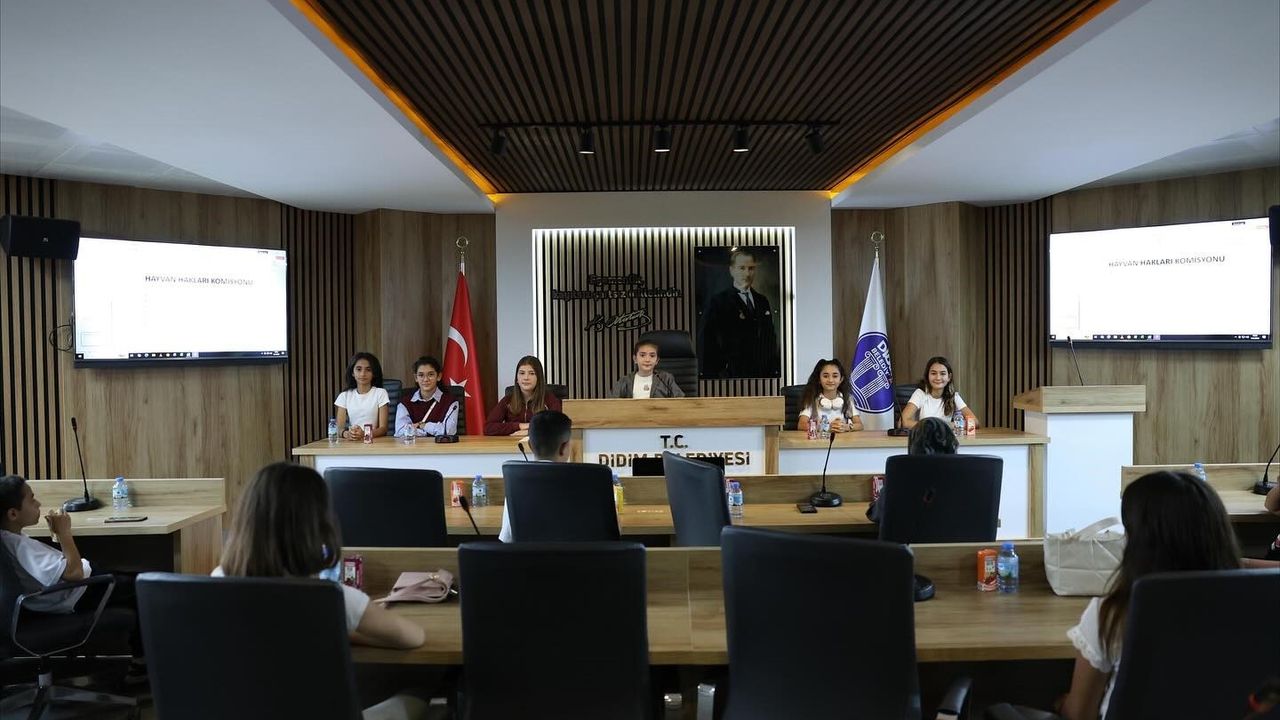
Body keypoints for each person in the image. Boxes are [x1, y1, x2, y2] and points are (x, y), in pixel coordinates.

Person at [215, 462, 429, 718]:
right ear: (317, 527)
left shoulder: (217, 581)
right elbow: (413, 637)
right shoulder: (331, 597)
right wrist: (346, 628)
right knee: (421, 693)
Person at [1058, 470, 1242, 720]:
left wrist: (1063, 705)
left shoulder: (1115, 613)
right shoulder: (1253, 607)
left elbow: (1080, 714)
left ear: (1139, 542)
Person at [1, 475, 147, 684]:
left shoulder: (10, 540)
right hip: (81, 591)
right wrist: (64, 533)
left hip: (73, 591)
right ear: (13, 514)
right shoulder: (20, 546)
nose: (38, 503)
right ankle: (140, 666)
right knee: (145, 587)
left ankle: (135, 662)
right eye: (32, 500)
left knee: (134, 584)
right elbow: (75, 573)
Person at [699, 248, 780, 378]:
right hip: (731, 375)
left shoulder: (762, 300)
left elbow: (770, 338)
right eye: (742, 268)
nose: (747, 274)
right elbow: (708, 341)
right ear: (732, 270)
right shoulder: (718, 302)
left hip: (761, 374)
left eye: (751, 268)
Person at [499, 410, 573, 543]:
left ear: (530, 446)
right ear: (564, 447)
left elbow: (507, 540)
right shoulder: (585, 483)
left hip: (527, 556)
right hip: (575, 556)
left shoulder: (516, 484)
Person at [866, 417, 957, 522]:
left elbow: (876, 514)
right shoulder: (963, 478)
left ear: (914, 445)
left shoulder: (900, 476)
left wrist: (874, 505)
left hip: (908, 532)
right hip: (953, 532)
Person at [484, 356, 562, 436]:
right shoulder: (508, 400)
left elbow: (559, 426)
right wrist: (519, 426)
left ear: (539, 378)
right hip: (513, 443)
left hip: (540, 443)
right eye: (522, 373)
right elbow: (488, 428)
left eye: (531, 373)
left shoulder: (549, 399)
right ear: (517, 379)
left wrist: (530, 432)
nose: (526, 378)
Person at [901, 356, 979, 430]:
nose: (938, 378)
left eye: (942, 373)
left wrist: (948, 425)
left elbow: (974, 422)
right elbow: (903, 422)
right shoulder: (920, 394)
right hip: (924, 436)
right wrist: (933, 427)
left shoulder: (954, 396)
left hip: (944, 438)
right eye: (933, 373)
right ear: (927, 376)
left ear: (949, 377)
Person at [394, 355, 458, 438]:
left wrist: (423, 425)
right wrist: (427, 432)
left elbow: (449, 431)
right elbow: (400, 431)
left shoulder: (451, 401)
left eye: (430, 374)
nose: (425, 379)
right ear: (416, 378)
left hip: (441, 445)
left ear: (439, 376)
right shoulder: (405, 402)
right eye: (421, 375)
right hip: (414, 446)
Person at [796, 358, 863, 433]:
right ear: (819, 379)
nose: (830, 380)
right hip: (820, 439)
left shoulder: (847, 398)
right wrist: (826, 427)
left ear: (841, 379)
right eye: (825, 376)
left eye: (835, 376)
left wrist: (847, 427)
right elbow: (801, 425)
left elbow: (859, 425)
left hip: (842, 438)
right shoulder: (811, 398)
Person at [335, 352, 389, 441]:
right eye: (359, 369)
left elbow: (383, 429)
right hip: (353, 442)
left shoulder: (381, 393)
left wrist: (365, 434)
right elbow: (339, 428)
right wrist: (346, 434)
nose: (363, 374)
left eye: (368, 370)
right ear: (352, 373)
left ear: (374, 373)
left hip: (374, 441)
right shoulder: (344, 396)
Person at [608, 339, 685, 399]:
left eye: (652, 356)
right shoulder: (625, 381)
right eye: (642, 355)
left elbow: (681, 400)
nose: (647, 360)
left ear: (657, 360)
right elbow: (611, 403)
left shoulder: (666, 379)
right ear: (635, 359)